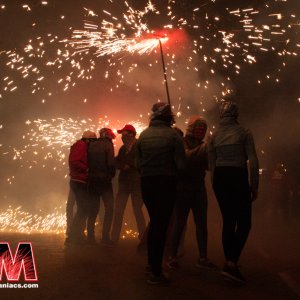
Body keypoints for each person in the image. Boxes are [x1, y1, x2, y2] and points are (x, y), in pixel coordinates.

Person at [208, 100, 259, 284]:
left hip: (221, 178)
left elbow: (211, 164)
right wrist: (254, 184)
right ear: (236, 114)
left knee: (228, 220)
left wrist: (214, 185)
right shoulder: (244, 132)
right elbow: (252, 160)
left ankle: (231, 262)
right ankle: (231, 263)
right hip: (237, 175)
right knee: (244, 222)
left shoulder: (214, 135)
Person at [136, 102, 185, 285]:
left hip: (147, 183)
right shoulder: (173, 135)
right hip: (166, 182)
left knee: (155, 222)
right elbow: (181, 165)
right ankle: (156, 271)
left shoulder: (143, 135)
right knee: (161, 226)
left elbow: (138, 164)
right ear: (168, 117)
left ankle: (151, 264)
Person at [168, 116, 217, 270]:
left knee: (201, 223)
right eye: (199, 128)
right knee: (180, 223)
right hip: (183, 186)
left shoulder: (203, 145)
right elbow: (186, 159)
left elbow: (208, 166)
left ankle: (202, 257)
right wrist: (205, 148)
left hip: (198, 186)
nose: (201, 131)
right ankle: (172, 256)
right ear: (191, 128)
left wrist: (212, 150)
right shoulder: (181, 142)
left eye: (203, 129)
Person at [111, 124, 146, 243]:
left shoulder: (139, 146)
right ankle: (114, 238)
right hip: (124, 184)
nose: (122, 136)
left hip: (136, 183)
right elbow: (117, 163)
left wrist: (127, 164)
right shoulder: (123, 149)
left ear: (131, 135)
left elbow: (140, 162)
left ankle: (143, 237)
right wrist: (122, 165)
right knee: (118, 210)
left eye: (124, 134)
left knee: (137, 210)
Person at [67, 130, 97, 245]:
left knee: (82, 209)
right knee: (83, 209)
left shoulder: (79, 144)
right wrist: (87, 168)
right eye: (93, 141)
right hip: (79, 181)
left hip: (76, 180)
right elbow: (74, 161)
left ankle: (76, 235)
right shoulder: (82, 145)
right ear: (88, 139)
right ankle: (73, 236)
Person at [87, 128, 116, 246]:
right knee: (109, 209)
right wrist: (111, 175)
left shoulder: (92, 145)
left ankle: (90, 237)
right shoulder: (108, 145)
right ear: (108, 135)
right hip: (104, 182)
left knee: (93, 210)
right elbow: (110, 163)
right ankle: (105, 237)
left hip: (93, 181)